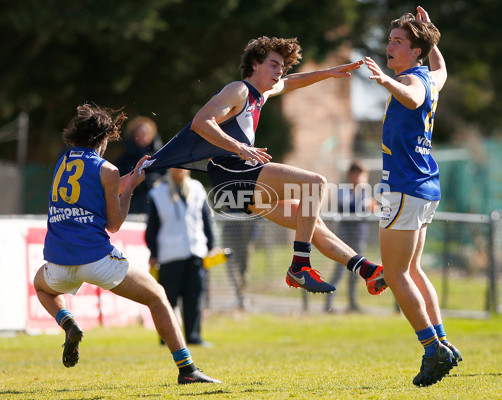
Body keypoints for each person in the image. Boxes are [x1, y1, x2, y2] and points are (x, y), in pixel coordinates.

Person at [142, 36, 387, 297]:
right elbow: (201, 122)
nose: (280, 70)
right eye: (273, 64)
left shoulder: (262, 94)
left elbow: (292, 82)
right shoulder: (239, 89)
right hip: (231, 176)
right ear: (255, 65)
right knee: (315, 184)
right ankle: (300, 265)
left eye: (282, 65)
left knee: (311, 222)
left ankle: (367, 271)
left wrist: (327, 73)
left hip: (237, 188)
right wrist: (239, 147)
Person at [33, 104, 220, 385]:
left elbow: (94, 189)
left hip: (58, 263)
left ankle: (68, 323)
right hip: (97, 261)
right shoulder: (106, 169)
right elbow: (114, 224)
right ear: (104, 139)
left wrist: (129, 178)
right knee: (157, 297)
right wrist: (131, 186)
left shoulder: (63, 162)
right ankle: (187, 369)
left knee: (41, 287)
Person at [364, 7, 461, 387]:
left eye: (399, 42)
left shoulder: (414, 81)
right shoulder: (430, 74)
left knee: (395, 272)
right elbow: (442, 70)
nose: (390, 46)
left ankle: (432, 350)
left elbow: (412, 97)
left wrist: (387, 83)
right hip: (421, 186)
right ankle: (442, 342)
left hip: (404, 187)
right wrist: (433, 39)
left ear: (415, 51)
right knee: (414, 270)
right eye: (389, 40)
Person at [145, 168, 215, 346]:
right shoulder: (158, 192)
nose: (179, 170)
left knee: (194, 298)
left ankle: (193, 336)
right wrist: (153, 252)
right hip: (169, 254)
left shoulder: (197, 188)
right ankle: (166, 338)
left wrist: (211, 245)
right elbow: (152, 226)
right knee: (168, 300)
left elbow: (205, 219)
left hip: (195, 251)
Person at [325, 161, 373, 313]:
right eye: (356, 174)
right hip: (344, 239)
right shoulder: (343, 192)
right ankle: (329, 304)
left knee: (356, 272)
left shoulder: (366, 193)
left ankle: (352, 303)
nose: (359, 178)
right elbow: (350, 207)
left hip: (359, 237)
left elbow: (372, 209)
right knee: (339, 271)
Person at [116, 116, 165, 214]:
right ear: (134, 135)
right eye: (140, 133)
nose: (143, 136)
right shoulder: (124, 160)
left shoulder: (161, 158)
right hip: (132, 210)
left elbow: (167, 179)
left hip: (157, 209)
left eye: (146, 133)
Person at [222, 216, 258, 310]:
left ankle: (243, 295)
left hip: (247, 232)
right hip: (230, 230)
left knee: (244, 267)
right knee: (230, 264)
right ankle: (237, 293)